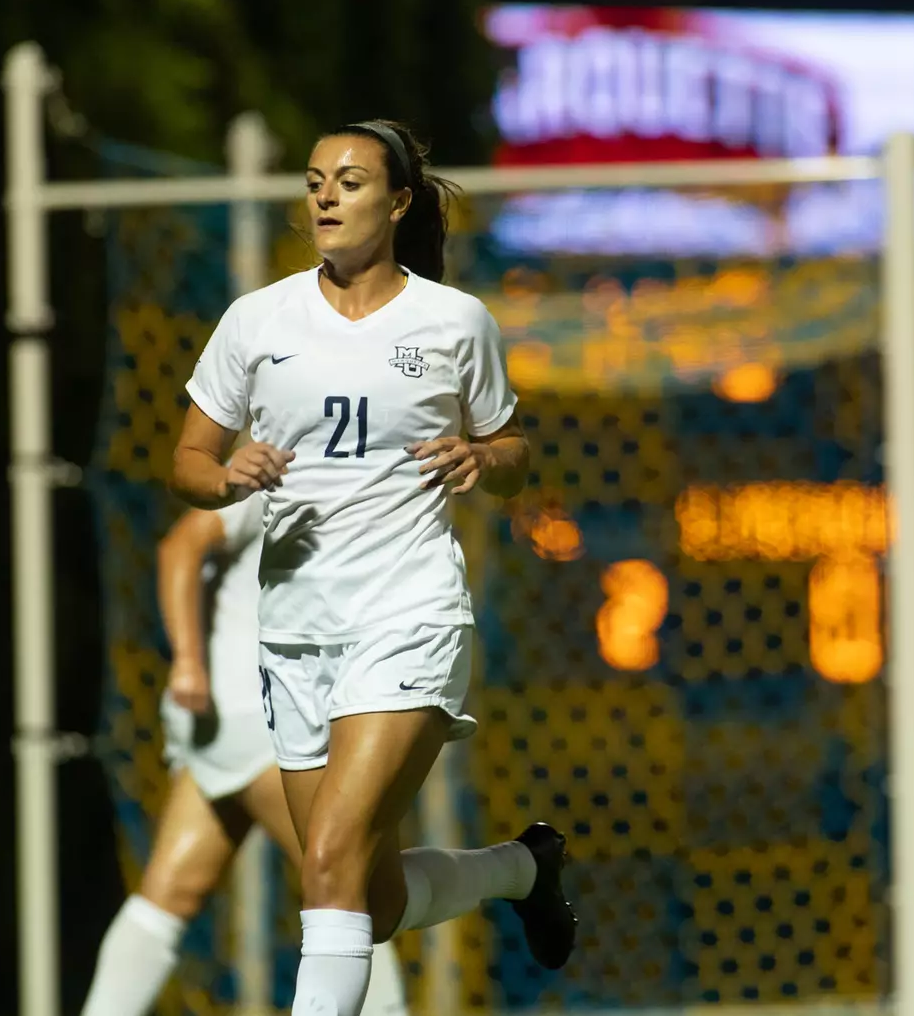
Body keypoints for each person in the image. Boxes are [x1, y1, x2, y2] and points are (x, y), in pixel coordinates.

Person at [170, 119, 576, 1016]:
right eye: (315, 181)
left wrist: (484, 457)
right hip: (296, 634)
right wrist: (224, 476)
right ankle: (521, 869)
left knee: (327, 863)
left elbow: (514, 454)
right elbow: (187, 462)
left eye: (349, 182)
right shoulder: (257, 320)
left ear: (397, 203)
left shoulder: (454, 321)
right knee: (369, 900)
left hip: (408, 617)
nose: (325, 196)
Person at [81, 485, 409, 1016]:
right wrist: (189, 663)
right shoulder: (286, 465)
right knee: (351, 890)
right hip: (259, 720)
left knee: (170, 893)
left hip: (226, 726)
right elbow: (180, 547)